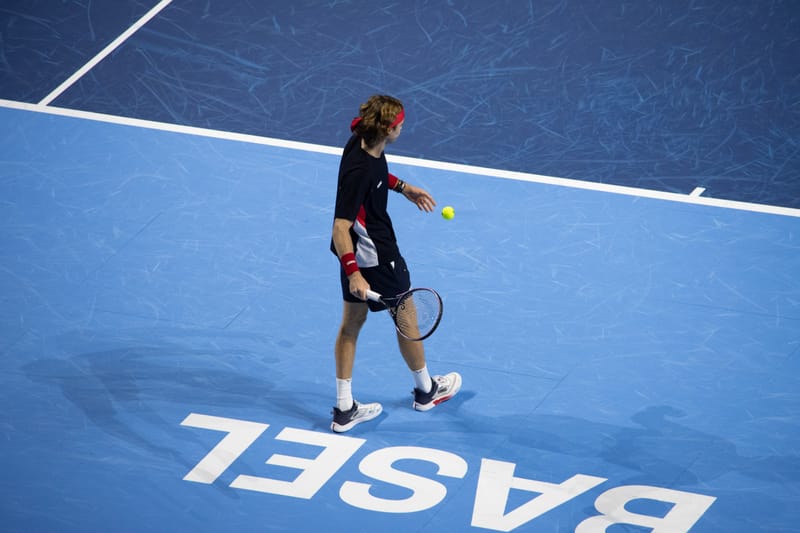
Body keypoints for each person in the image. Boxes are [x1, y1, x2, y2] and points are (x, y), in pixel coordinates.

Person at [330, 94, 462, 433]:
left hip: (355, 254)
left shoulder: (362, 144)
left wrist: (403, 188)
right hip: (377, 257)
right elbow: (340, 225)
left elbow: (377, 176)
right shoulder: (363, 167)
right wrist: (355, 272)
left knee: (351, 325)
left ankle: (344, 409)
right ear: (388, 129)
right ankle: (426, 391)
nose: (403, 127)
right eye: (400, 124)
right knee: (407, 320)